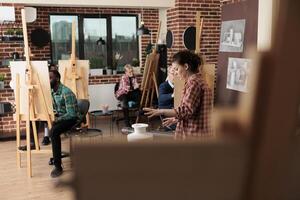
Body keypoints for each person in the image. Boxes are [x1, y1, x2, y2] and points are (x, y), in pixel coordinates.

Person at [144, 50, 213, 138]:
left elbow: (186, 110)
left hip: (194, 134)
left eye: (176, 69)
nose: (175, 73)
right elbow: (194, 111)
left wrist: (160, 111)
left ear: (186, 66)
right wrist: (176, 119)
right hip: (199, 132)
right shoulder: (199, 81)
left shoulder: (194, 83)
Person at [49, 70, 80, 178]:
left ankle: (58, 166)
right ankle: (56, 156)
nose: (48, 80)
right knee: (51, 129)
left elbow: (71, 114)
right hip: (62, 117)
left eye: (50, 78)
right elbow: (57, 109)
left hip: (72, 119)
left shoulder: (66, 92)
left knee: (53, 131)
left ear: (57, 79)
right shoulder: (53, 91)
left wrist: (57, 120)